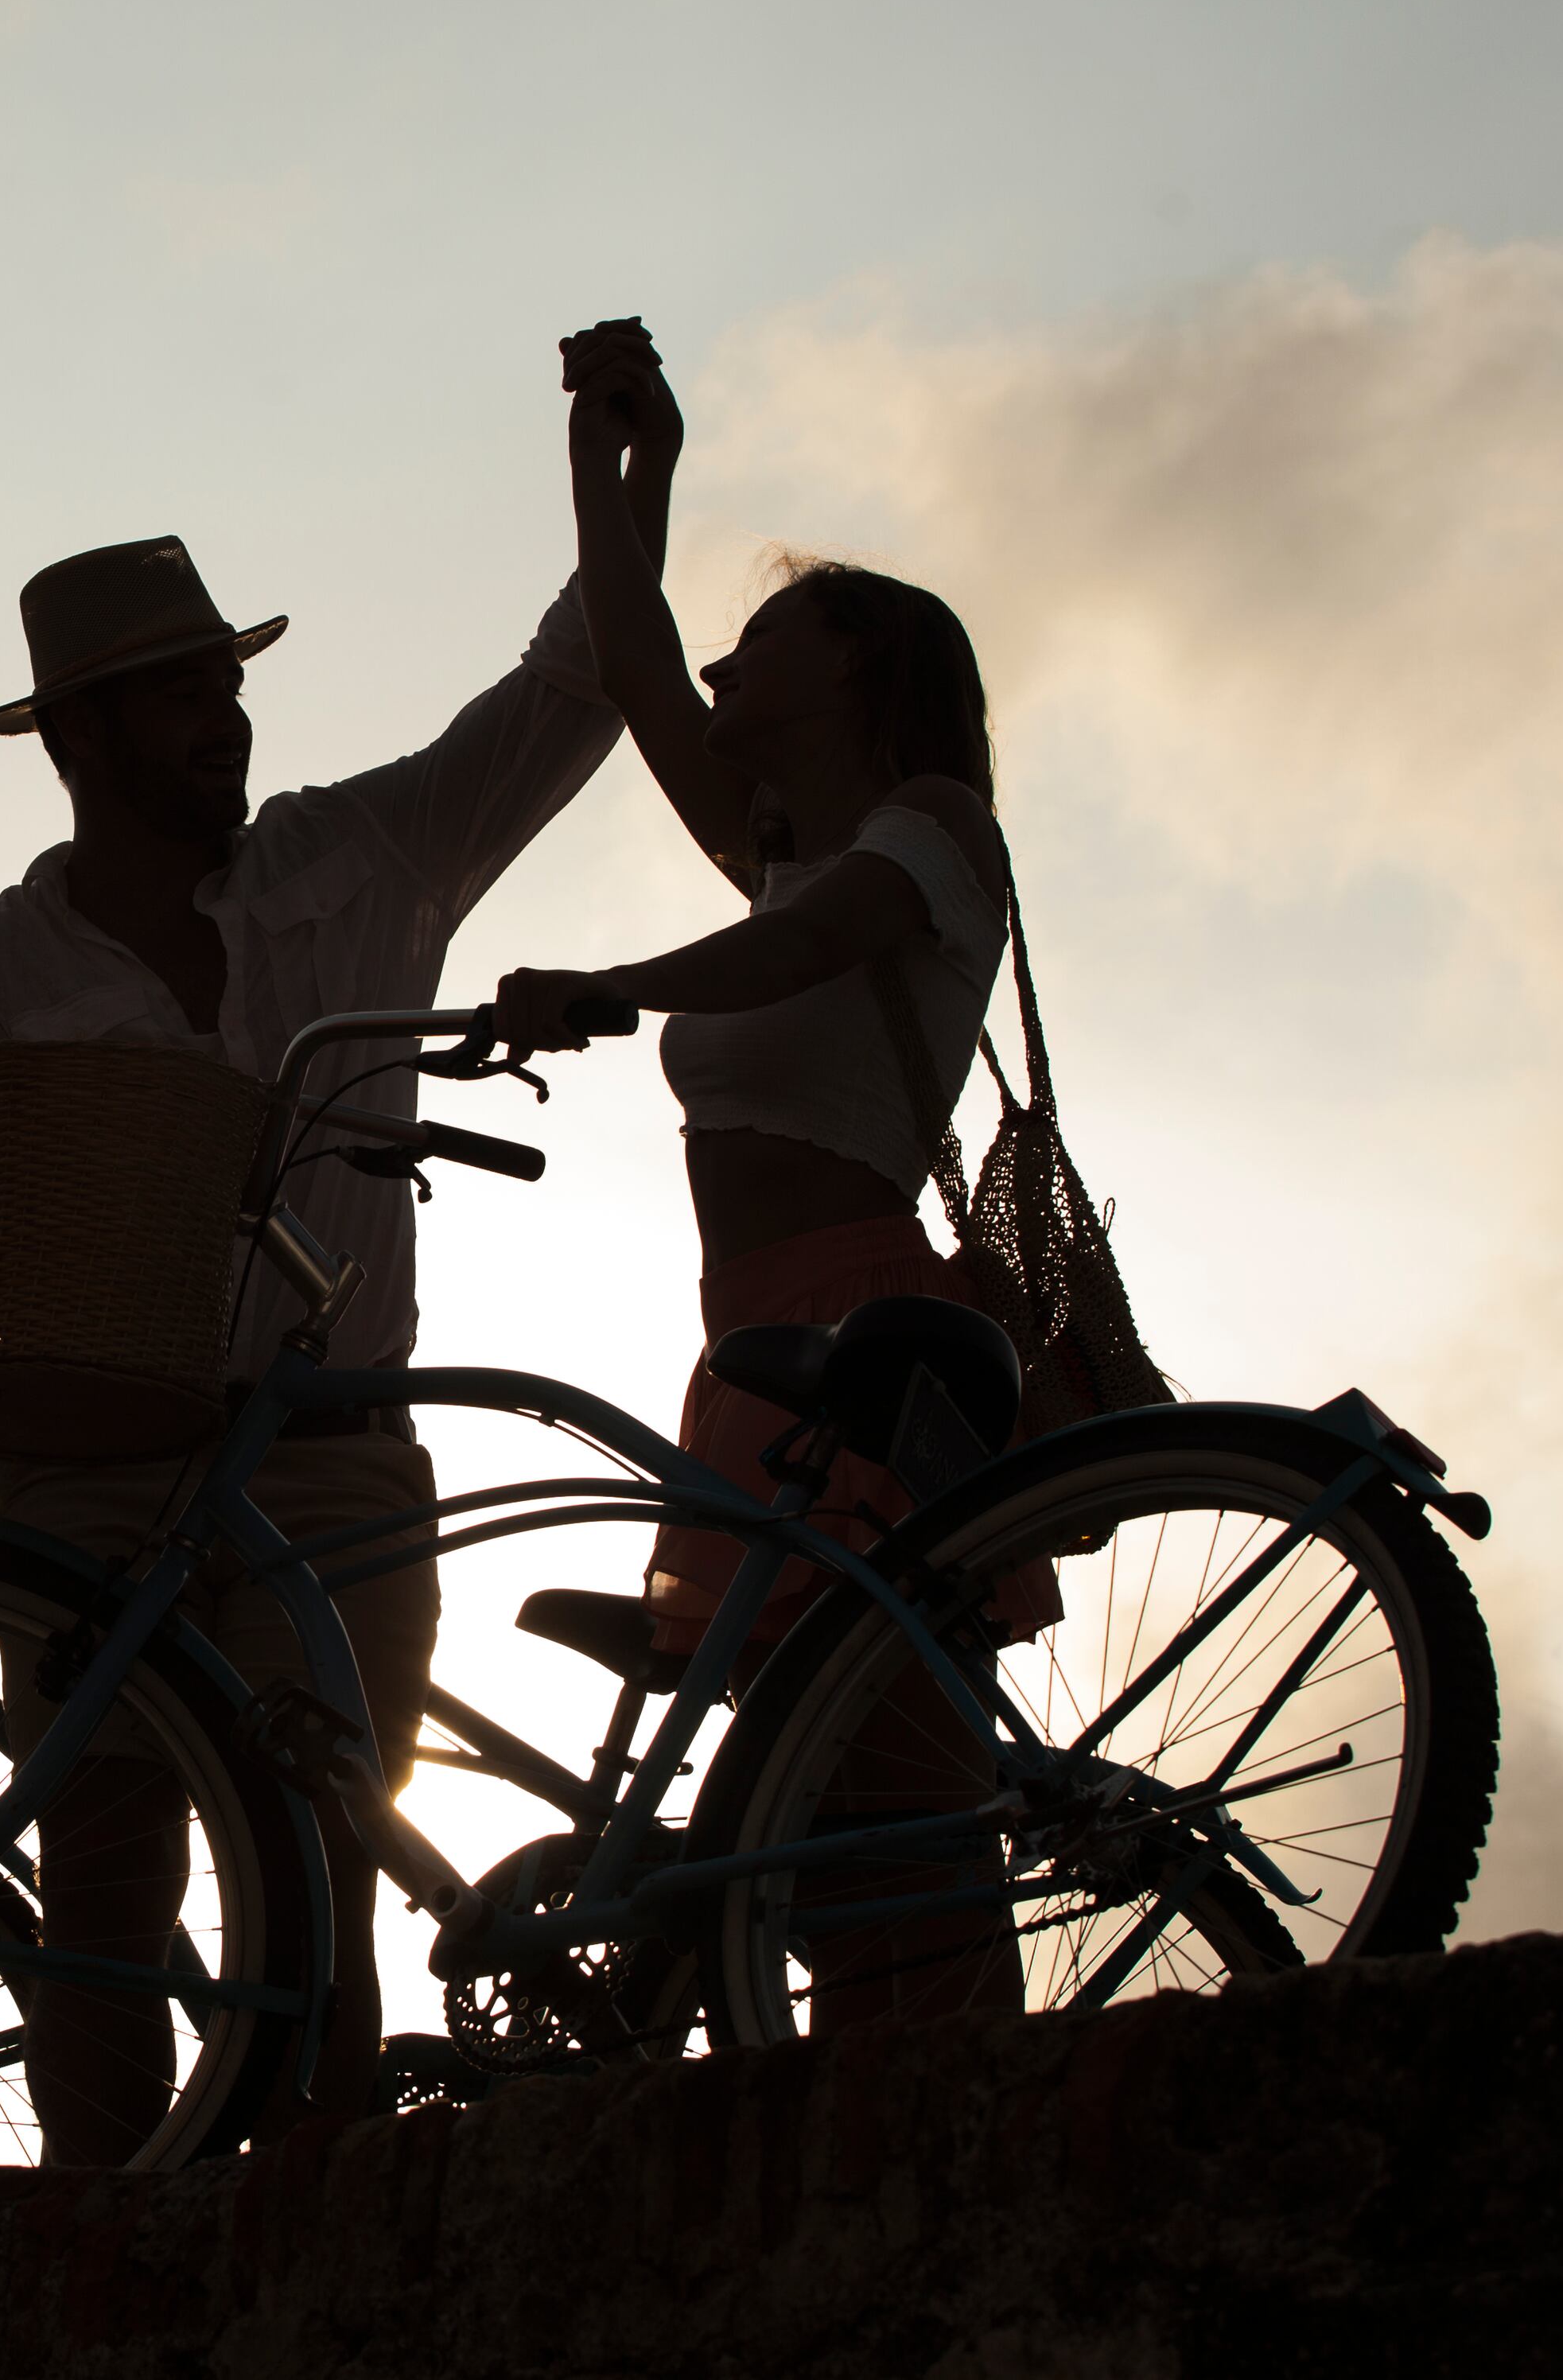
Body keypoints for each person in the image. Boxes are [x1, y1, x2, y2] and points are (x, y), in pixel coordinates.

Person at [0, 526, 619, 2161]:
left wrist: (620, 491)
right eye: (178, 694)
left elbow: (566, 700)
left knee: (315, 1860)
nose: (226, 718)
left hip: (331, 1440)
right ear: (76, 737)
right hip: (89, 1468)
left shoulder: (354, 859)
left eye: (228, 683)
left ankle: (315, 2229)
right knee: (105, 1880)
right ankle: (100, 2248)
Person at [492, 314, 1035, 2024]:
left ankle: (959, 2098)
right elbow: (631, 649)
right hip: (756, 1343)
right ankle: (873, 2092)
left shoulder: (933, 831)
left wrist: (615, 984)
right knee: (817, 1789)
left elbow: (812, 956)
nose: (726, 669)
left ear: (860, 677)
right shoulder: (784, 865)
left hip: (867, 1320)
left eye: (765, 640)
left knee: (891, 1770)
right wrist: (621, 453)